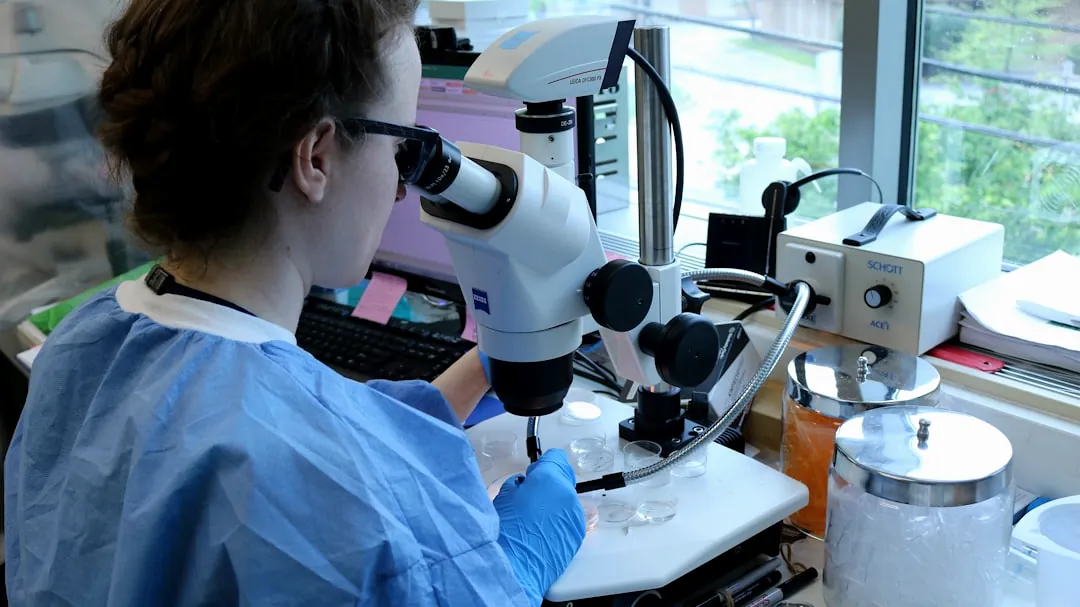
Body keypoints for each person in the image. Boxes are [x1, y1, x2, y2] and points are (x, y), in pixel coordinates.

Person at [3, 1, 586, 605]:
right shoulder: (313, 474)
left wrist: (443, 395)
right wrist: (512, 573)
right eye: (404, 148)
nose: (399, 185)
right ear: (315, 157)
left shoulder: (85, 343)